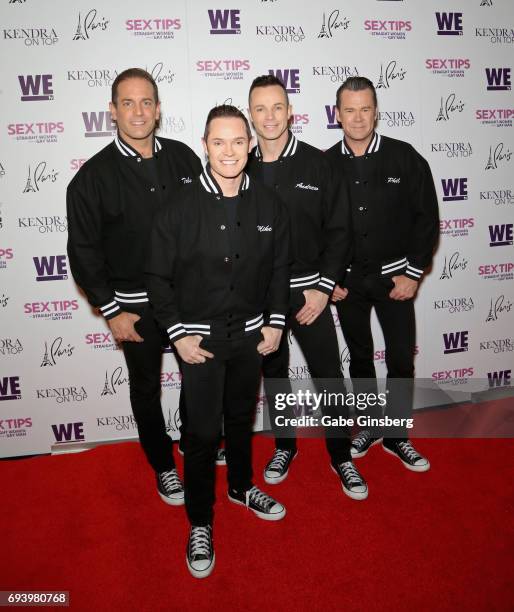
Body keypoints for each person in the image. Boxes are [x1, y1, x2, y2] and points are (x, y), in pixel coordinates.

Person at [145, 105, 290, 579]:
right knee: (203, 435)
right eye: (218, 142)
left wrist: (274, 323)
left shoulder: (270, 205)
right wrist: (178, 335)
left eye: (237, 141)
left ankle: (242, 486)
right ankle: (200, 520)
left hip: (251, 336)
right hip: (201, 343)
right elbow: (157, 279)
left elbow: (279, 271)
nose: (229, 151)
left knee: (241, 419)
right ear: (205, 145)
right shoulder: (179, 209)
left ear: (250, 145)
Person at [67, 68, 202, 506]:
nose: (138, 111)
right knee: (145, 388)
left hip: (186, 302)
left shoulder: (184, 158)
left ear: (159, 109)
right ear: (112, 111)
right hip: (135, 309)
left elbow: (205, 227)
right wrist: (111, 311)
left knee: (197, 378)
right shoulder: (91, 178)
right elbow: (84, 252)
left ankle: (190, 441)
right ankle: (163, 465)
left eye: (146, 102)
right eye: (128, 103)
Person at [246, 75, 367, 500]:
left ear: (290, 111)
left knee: (328, 375)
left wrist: (322, 287)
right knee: (274, 375)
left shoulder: (320, 164)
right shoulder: (240, 167)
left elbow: (341, 231)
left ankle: (341, 456)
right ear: (250, 115)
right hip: (262, 297)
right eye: (260, 109)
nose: (269, 117)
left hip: (309, 293)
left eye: (277, 107)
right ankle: (284, 447)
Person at [325, 76, 439, 471]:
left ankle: (397, 437)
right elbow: (313, 228)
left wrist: (413, 273)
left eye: (366, 109)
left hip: (395, 281)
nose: (358, 118)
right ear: (337, 114)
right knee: (359, 358)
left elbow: (427, 218)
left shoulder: (405, 157)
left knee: (400, 360)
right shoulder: (323, 165)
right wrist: (330, 281)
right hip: (348, 284)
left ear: (377, 111)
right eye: (350, 110)